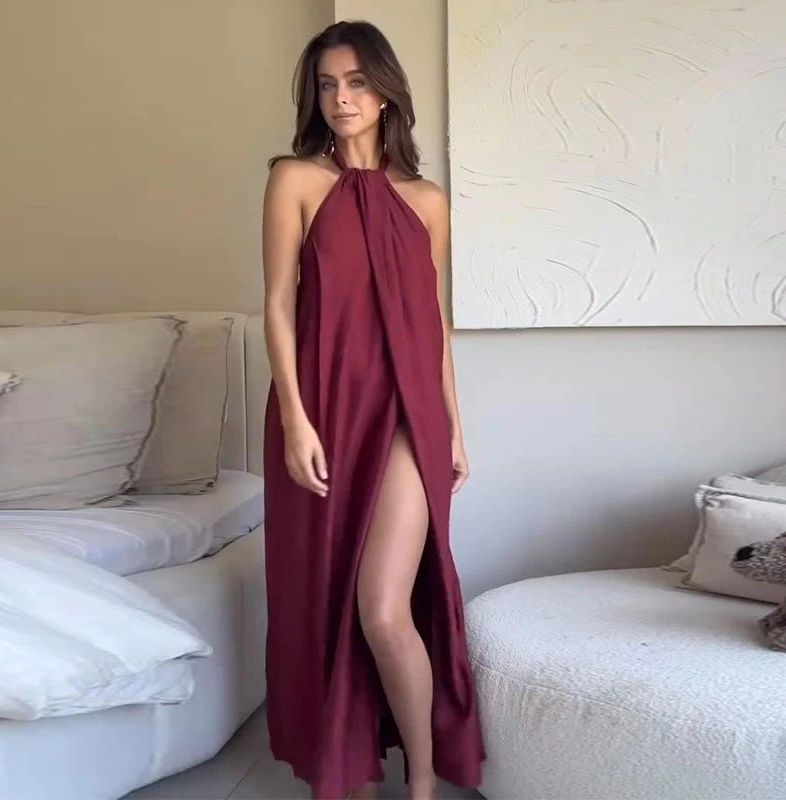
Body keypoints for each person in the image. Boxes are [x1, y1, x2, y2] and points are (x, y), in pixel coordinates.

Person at [261, 19, 486, 800]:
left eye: (357, 82)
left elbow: (433, 325)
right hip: (324, 407)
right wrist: (294, 419)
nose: (342, 98)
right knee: (325, 594)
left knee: (385, 609)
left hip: (408, 417)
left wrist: (454, 428)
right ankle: (347, 762)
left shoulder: (426, 200)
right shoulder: (295, 180)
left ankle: (421, 781)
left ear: (386, 91)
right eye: (328, 85)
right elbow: (278, 303)